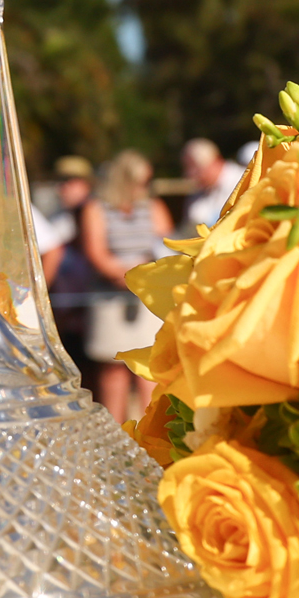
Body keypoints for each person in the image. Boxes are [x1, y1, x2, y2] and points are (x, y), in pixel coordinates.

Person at [80, 150, 171, 420]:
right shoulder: (95, 209)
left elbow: (165, 243)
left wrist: (142, 278)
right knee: (113, 371)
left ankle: (151, 435)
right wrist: (131, 276)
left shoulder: (153, 207)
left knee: (150, 370)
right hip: (110, 301)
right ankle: (116, 437)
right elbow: (97, 254)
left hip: (145, 302)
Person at [36, 155, 101, 381]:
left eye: (69, 181)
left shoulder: (93, 212)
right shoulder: (61, 217)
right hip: (70, 308)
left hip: (87, 305)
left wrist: (39, 292)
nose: (62, 187)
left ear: (85, 184)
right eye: (60, 181)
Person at [180, 137, 245, 233]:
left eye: (192, 167)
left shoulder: (243, 180)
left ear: (213, 161)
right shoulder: (196, 197)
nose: (189, 174)